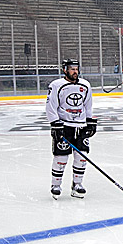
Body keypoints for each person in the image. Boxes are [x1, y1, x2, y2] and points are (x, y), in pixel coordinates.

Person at [46, 58, 97, 199]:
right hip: (64, 126)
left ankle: (77, 184)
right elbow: (51, 106)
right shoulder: (57, 85)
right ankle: (56, 185)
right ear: (65, 70)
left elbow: (88, 105)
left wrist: (90, 121)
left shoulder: (85, 85)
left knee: (82, 157)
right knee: (61, 157)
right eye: (71, 69)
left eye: (76, 69)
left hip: (80, 127)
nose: (75, 71)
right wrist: (55, 124)